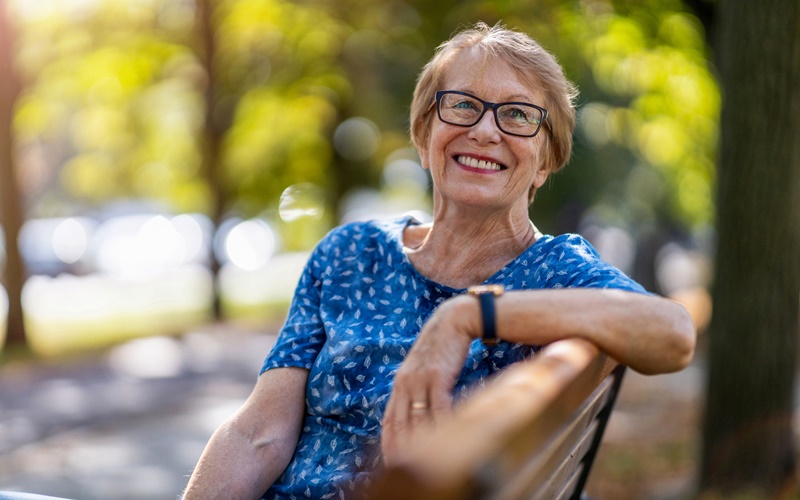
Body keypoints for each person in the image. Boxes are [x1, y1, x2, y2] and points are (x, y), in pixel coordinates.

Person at [182, 21, 695, 500]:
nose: (486, 131)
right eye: (462, 105)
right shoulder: (350, 254)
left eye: (517, 114)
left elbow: (673, 332)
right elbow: (257, 434)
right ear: (423, 138)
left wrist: (471, 316)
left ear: (546, 161)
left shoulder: (553, 271)